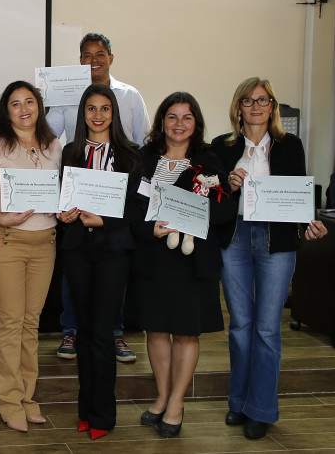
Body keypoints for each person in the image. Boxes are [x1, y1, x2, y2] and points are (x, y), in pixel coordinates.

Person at [212, 78, 328, 440]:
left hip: (276, 241)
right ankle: (238, 401)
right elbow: (213, 203)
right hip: (235, 238)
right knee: (241, 325)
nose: (256, 106)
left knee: (266, 327)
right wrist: (228, 188)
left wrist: (309, 221)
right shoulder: (221, 146)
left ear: (273, 106)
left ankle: (260, 408)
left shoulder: (291, 145)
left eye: (263, 100)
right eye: (249, 100)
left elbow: (298, 197)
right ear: (239, 108)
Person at [134, 92, 234, 438]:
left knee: (186, 331)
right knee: (157, 330)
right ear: (161, 121)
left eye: (186, 117)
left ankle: (177, 403)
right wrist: (152, 229)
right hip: (154, 256)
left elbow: (224, 211)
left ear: (196, 123)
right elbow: (132, 209)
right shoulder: (144, 158)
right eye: (172, 117)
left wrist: (191, 216)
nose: (179, 124)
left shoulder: (209, 160)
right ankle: (161, 397)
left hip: (193, 261)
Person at [47, 33, 149, 363]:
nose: (94, 59)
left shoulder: (130, 96)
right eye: (87, 55)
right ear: (79, 60)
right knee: (73, 271)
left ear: (110, 58)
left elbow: (141, 144)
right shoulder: (70, 147)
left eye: (100, 54)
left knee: (112, 285)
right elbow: (48, 137)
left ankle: (114, 334)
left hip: (115, 216)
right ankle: (71, 330)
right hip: (78, 216)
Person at [0, 81, 61, 433]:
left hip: (45, 243)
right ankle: (9, 401)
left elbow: (61, 191)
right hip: (4, 240)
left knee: (31, 323)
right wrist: (0, 216)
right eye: (14, 104)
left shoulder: (54, 145)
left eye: (29, 101)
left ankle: (27, 397)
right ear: (5, 112)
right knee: (10, 322)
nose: (23, 108)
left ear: (38, 106)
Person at [56, 85, 142, 440]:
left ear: (114, 113)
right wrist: (63, 215)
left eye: (105, 108)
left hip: (112, 251)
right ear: (83, 114)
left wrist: (104, 220)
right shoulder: (70, 152)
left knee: (103, 333)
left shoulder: (131, 155)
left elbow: (137, 209)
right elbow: (62, 197)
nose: (98, 115)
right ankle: (85, 410)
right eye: (91, 109)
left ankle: (103, 415)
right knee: (84, 331)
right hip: (77, 249)